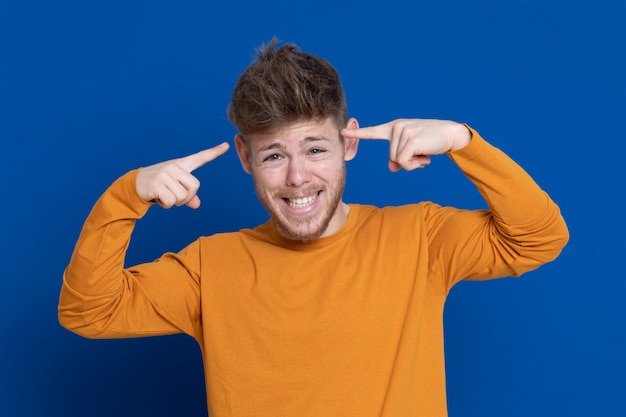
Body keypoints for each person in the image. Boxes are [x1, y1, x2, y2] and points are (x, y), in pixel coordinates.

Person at [58, 39, 569, 417]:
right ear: (245, 157)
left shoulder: (420, 238)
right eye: (275, 155)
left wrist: (463, 142)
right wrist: (127, 195)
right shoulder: (209, 267)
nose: (297, 177)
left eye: (316, 149)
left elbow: (540, 237)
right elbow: (88, 311)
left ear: (349, 144)